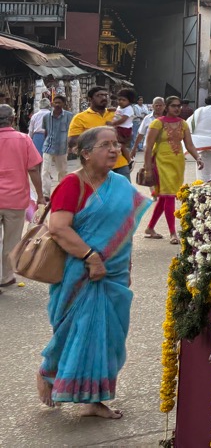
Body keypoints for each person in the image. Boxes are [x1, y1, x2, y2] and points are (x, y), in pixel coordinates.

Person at [39, 125, 150, 419]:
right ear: (86, 154)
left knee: (110, 338)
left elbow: (124, 231)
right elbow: (58, 228)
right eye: (106, 145)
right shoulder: (72, 184)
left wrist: (121, 266)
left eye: (116, 144)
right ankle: (49, 371)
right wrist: (91, 257)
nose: (114, 150)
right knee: (73, 330)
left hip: (113, 275)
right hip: (79, 274)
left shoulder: (121, 185)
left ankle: (94, 400)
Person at [142, 97, 203, 242]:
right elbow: (148, 147)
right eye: (174, 106)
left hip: (177, 164)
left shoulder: (183, 124)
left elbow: (189, 145)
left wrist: (198, 158)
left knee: (165, 197)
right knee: (169, 196)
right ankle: (172, 233)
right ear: (167, 107)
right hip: (160, 163)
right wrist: (148, 169)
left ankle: (150, 227)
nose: (177, 109)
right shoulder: (157, 123)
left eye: (179, 106)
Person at [1, 104, 43, 290]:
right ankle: (6, 277)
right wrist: (41, 195)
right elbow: (33, 168)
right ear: (12, 119)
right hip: (15, 199)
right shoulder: (23, 139)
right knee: (11, 240)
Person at [68, 86, 130, 178]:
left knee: (125, 192)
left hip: (120, 165)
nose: (104, 98)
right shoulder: (80, 118)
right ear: (90, 99)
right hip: (95, 166)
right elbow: (72, 142)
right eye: (99, 95)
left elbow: (128, 137)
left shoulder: (115, 114)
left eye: (106, 95)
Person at [42, 94, 74, 196]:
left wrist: (70, 146)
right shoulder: (46, 117)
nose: (57, 104)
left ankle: (62, 192)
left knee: (62, 171)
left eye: (59, 103)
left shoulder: (69, 116)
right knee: (45, 171)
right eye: (55, 102)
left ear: (63, 104)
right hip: (48, 146)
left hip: (62, 148)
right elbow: (46, 131)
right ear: (52, 104)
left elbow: (71, 132)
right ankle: (45, 194)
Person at [111, 88, 136, 161]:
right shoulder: (120, 107)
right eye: (119, 99)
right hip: (118, 128)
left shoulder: (129, 109)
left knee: (121, 146)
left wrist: (112, 124)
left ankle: (129, 160)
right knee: (117, 144)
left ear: (129, 101)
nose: (121, 101)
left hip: (124, 129)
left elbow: (123, 119)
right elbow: (118, 111)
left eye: (124, 100)